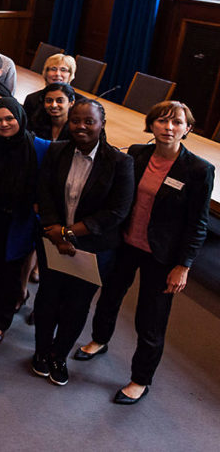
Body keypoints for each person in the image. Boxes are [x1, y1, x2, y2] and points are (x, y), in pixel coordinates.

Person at [77, 101, 214, 405]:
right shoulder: (137, 153)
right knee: (109, 297)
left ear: (187, 129)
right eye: (162, 121)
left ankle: (140, 379)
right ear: (150, 124)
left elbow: (198, 223)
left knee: (150, 320)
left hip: (161, 255)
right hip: (125, 243)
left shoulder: (198, 170)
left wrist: (184, 265)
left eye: (176, 122)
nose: (168, 128)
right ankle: (99, 340)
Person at [32, 98, 134, 387]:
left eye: (89, 121)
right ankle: (41, 350)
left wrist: (69, 234)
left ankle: (59, 355)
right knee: (48, 298)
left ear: (102, 125)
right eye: (75, 120)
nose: (81, 127)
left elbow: (116, 212)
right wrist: (55, 230)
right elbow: (45, 192)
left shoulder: (120, 162)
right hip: (51, 238)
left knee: (77, 304)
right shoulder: (56, 151)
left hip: (92, 248)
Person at [0, 99, 50, 346]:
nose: (3, 124)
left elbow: (45, 186)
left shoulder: (39, 146)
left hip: (18, 221)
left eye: (9, 119)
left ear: (20, 117)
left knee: (10, 274)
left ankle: (1, 322)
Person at [22, 53, 78, 121]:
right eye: (53, 69)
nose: (57, 74)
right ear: (46, 72)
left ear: (70, 74)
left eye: (63, 70)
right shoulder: (32, 99)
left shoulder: (79, 104)